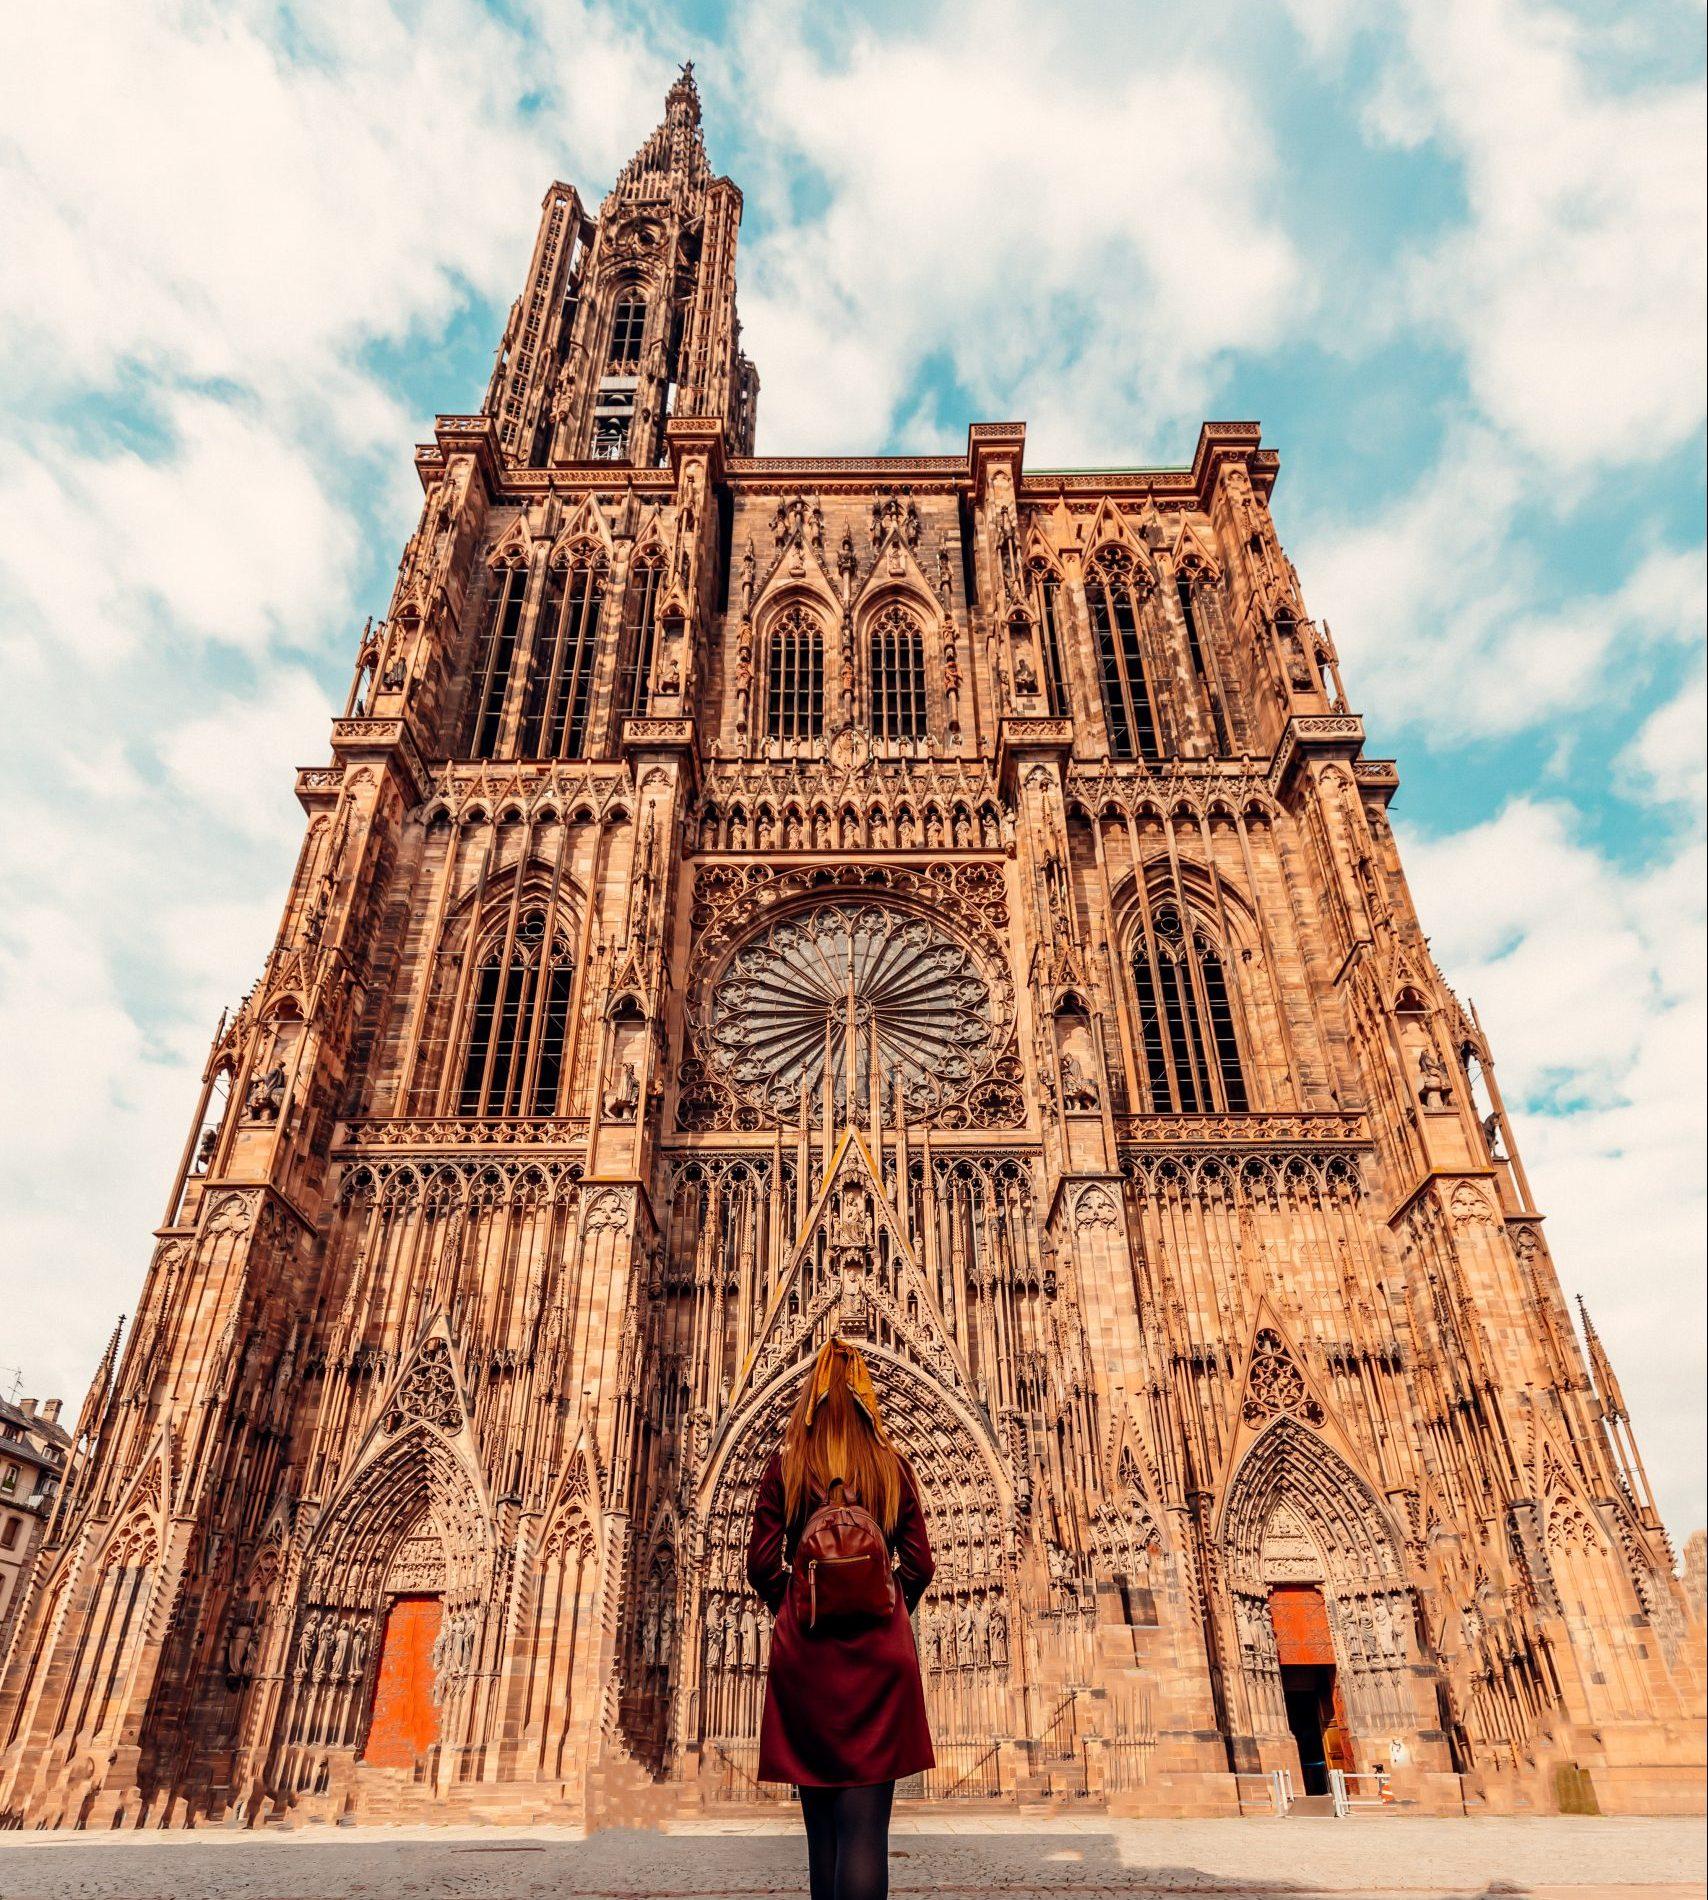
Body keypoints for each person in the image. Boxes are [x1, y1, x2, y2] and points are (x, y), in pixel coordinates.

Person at [747, 1336, 935, 1900]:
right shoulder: (889, 1466)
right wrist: (886, 1606)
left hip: (808, 1665)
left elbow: (760, 1564)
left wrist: (800, 1605)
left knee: (822, 1836)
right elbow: (921, 1563)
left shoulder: (786, 1466)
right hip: (879, 1665)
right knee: (865, 1835)